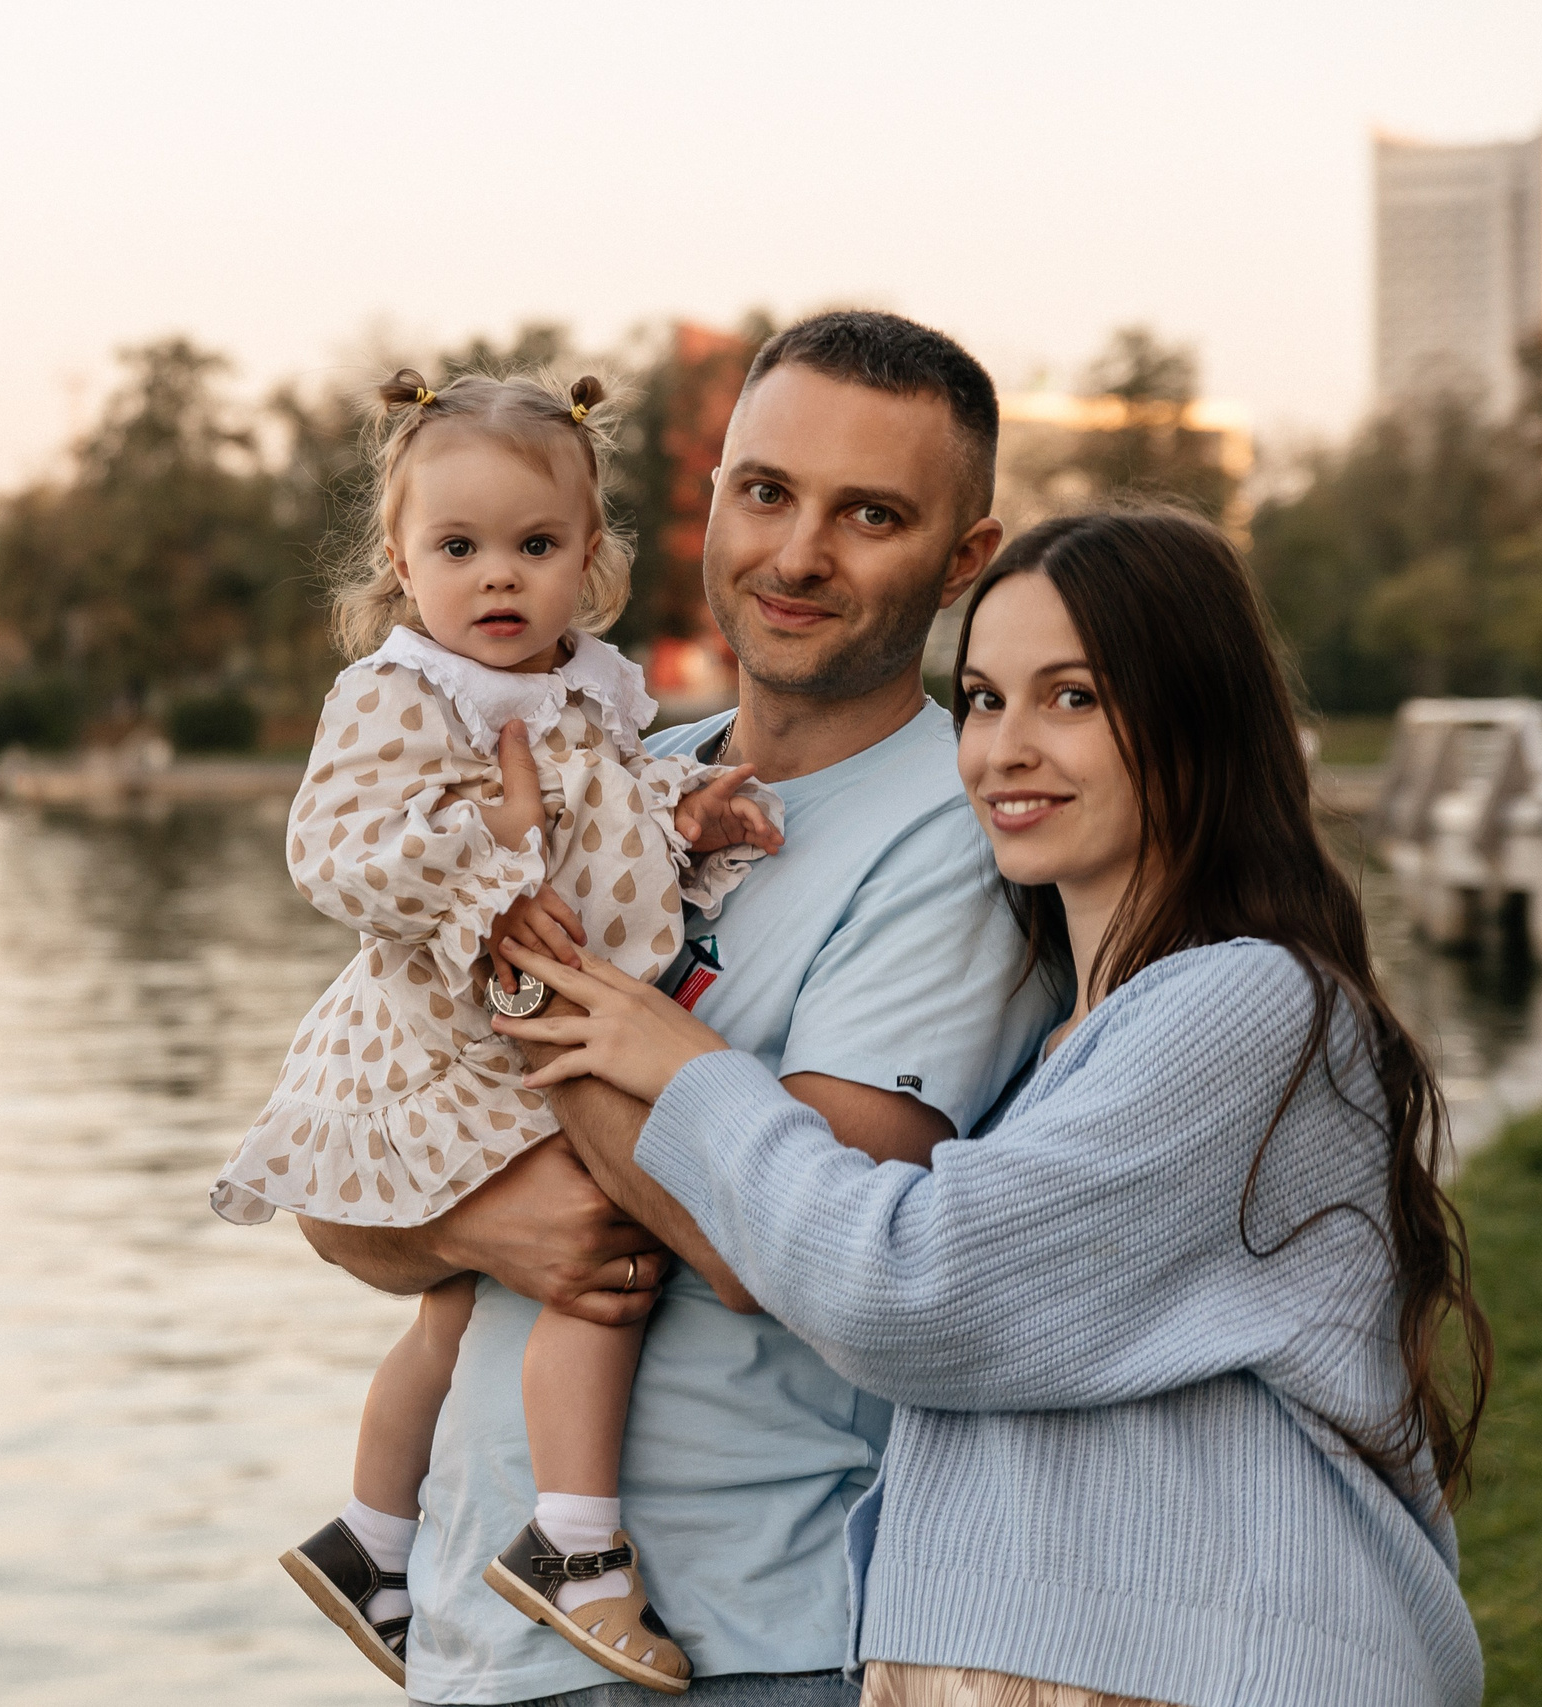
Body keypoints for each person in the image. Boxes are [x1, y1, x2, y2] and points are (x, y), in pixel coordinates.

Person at [499, 507, 1492, 1706]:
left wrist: (689, 1071)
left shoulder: (1245, 1004)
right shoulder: (1063, 1045)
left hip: (1210, 1667)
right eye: (981, 699)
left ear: (1195, 718)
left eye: (1071, 697)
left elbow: (911, 1289)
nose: (1005, 748)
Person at [301, 309, 1061, 1707]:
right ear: (711, 496)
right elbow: (336, 1180)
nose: (797, 553)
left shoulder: (959, 834)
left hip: (748, 1630)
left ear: (965, 559)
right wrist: (480, 1221)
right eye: (765, 491)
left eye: (870, 514)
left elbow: (782, 1250)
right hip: (488, 1625)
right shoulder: (619, 765)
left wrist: (527, 990)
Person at [214, 367, 783, 1693]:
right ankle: (574, 1543)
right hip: (455, 1041)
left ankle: (370, 1534)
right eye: (457, 547)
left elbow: (611, 820)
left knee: (464, 1308)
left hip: (523, 1030)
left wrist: (688, 819)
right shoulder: (400, 692)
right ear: (401, 565)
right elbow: (330, 848)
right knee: (602, 1257)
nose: (497, 578)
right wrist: (489, 846)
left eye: (535, 545)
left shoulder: (584, 692)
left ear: (592, 562)